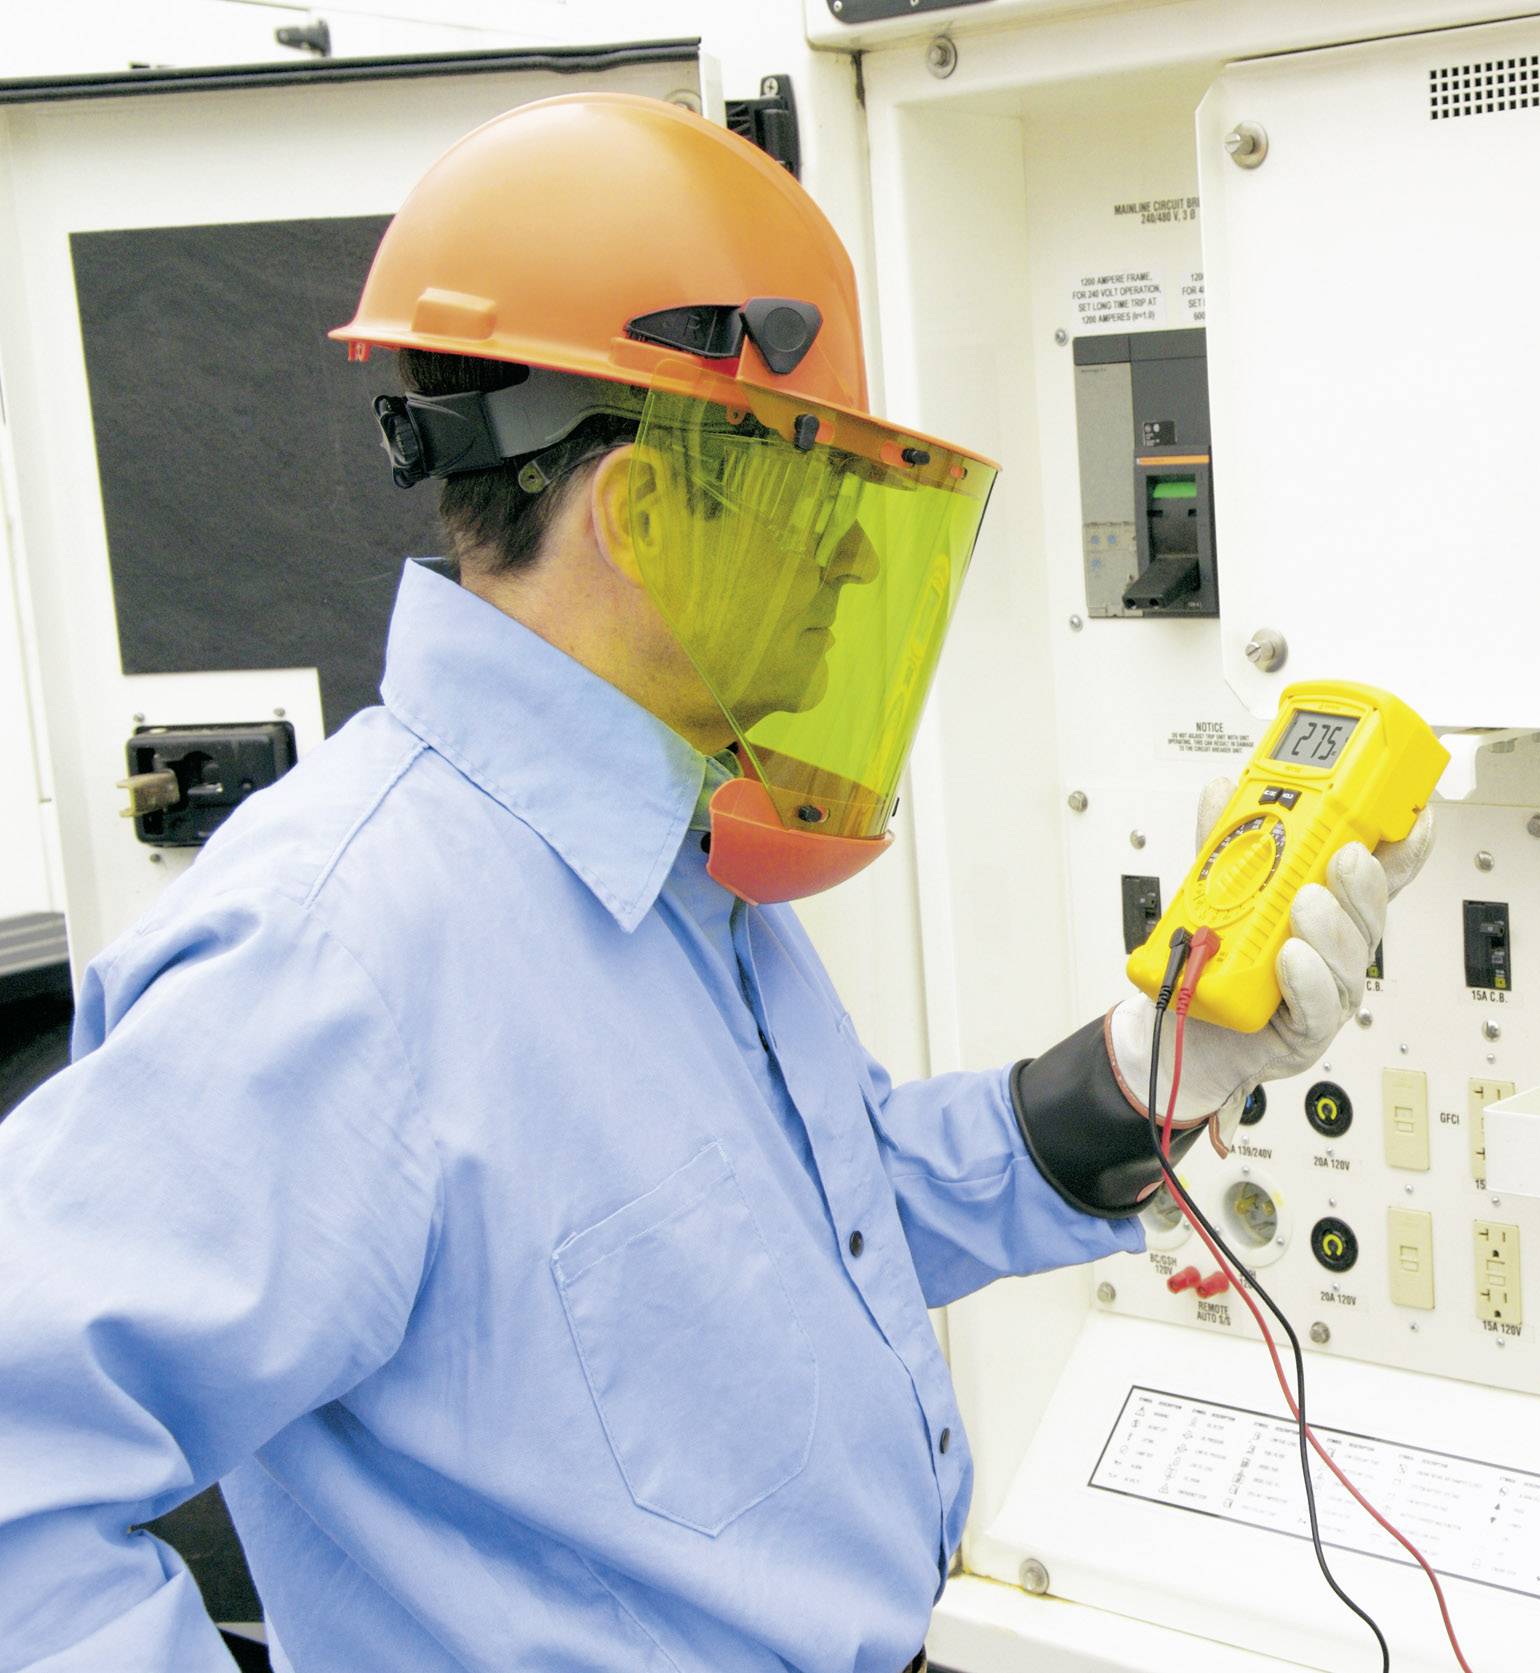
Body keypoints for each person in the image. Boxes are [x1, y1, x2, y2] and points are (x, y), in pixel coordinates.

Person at [0, 93, 1430, 1673]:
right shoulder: (334, 949)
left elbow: (816, 1231)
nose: (860, 560)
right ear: (647, 513)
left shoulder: (673, 863)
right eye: (826, 492)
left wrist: (1145, 1074)